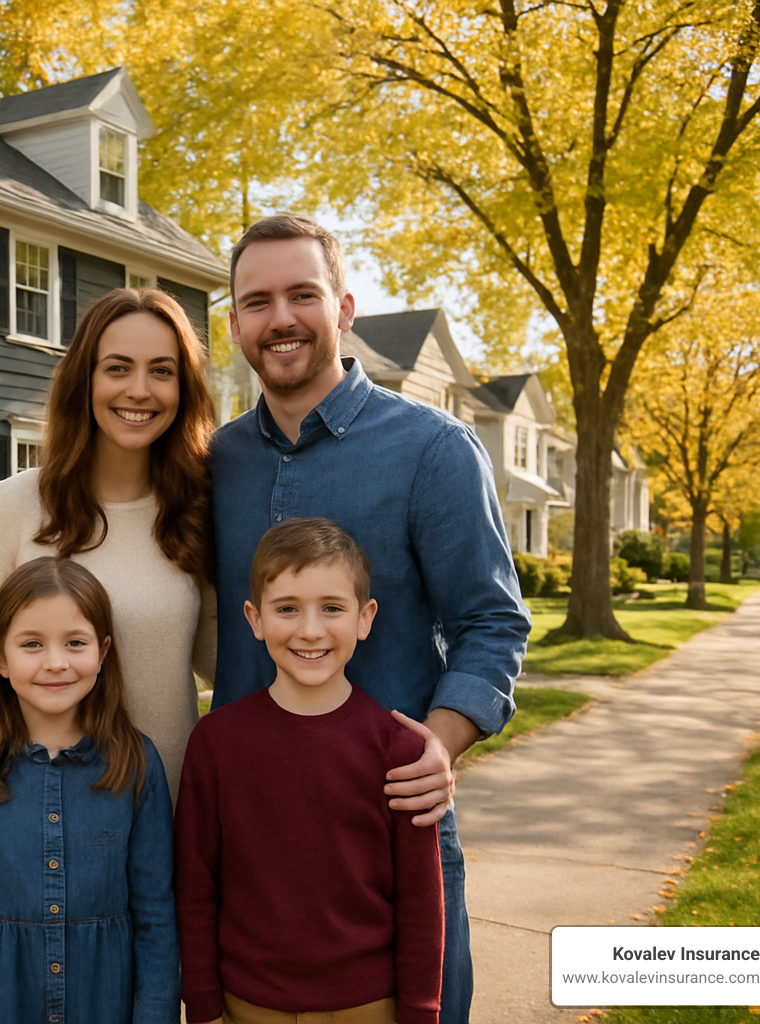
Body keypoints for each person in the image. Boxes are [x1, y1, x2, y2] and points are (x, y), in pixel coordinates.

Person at [211, 215, 531, 1023]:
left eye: (302, 295)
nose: (279, 318)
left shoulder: (435, 450)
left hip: (390, 839)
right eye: (257, 301)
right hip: (248, 850)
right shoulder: (216, 464)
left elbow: (492, 622)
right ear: (235, 325)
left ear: (344, 308)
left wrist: (440, 741)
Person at [0, 287, 217, 867]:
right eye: (117, 368)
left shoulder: (196, 513)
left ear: (184, 389)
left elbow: (230, 667)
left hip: (168, 831)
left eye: (162, 370)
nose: (139, 390)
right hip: (33, 834)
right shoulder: (14, 506)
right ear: (84, 379)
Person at [177, 518, 443, 1024]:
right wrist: (204, 1006)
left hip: (368, 1005)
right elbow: (195, 887)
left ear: (365, 619)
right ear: (254, 619)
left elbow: (421, 904)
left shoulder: (399, 750)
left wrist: (419, 1013)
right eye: (287, 609)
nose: (310, 629)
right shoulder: (216, 742)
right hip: (247, 1003)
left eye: (332, 609)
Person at [0, 556, 180, 1024]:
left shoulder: (137, 765)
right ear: (0, 657)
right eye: (32, 644)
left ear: (102, 652)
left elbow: (156, 919)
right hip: (1, 1004)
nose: (56, 662)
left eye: (75, 643)